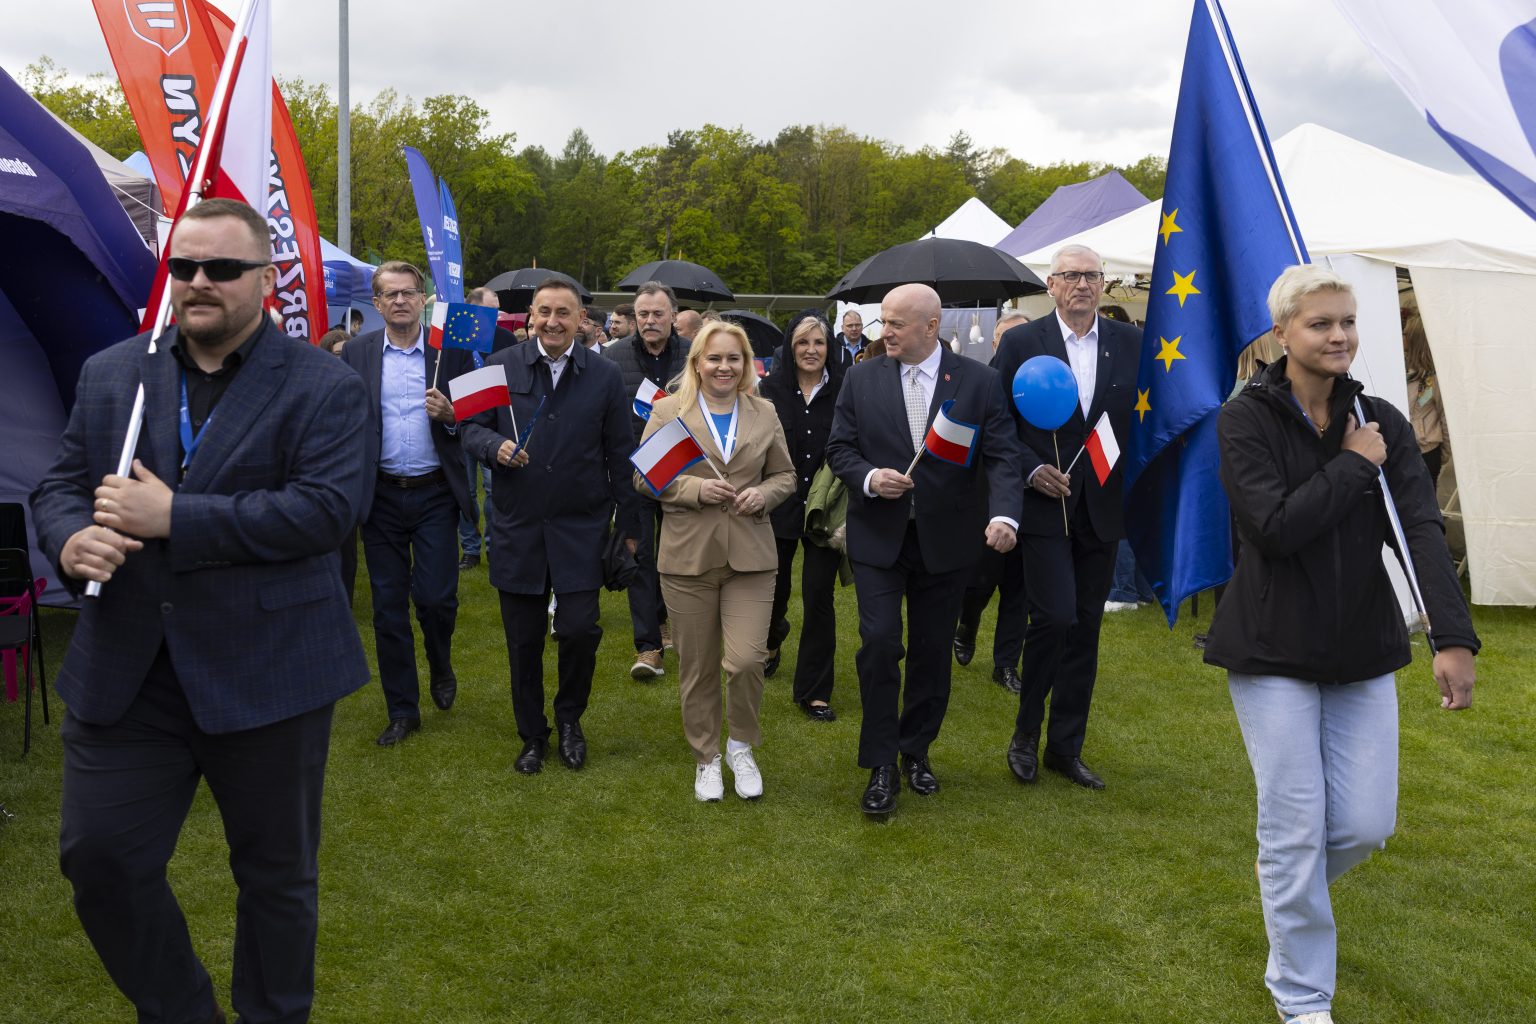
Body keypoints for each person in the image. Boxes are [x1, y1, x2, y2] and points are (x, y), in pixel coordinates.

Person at [30, 197, 371, 1023]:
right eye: (183, 267)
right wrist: (72, 541)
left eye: (221, 268)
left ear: (265, 278)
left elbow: (326, 511)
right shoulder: (114, 371)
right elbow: (61, 484)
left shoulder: (323, 383)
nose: (199, 283)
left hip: (270, 670)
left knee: (277, 880)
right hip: (130, 672)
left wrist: (175, 518)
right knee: (99, 858)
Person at [1204, 264, 1478, 1024]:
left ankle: (1285, 885)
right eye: (1321, 323)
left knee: (1362, 825)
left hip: (1362, 644)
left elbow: (1419, 531)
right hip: (1269, 649)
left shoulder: (1382, 418)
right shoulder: (1245, 420)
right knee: (1294, 827)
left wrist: (1452, 639)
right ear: (1282, 333)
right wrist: (1355, 463)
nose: (1339, 336)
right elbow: (1275, 528)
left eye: (1347, 322)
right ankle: (1303, 999)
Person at [826, 283, 1021, 816]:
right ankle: (881, 762)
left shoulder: (979, 382)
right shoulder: (861, 377)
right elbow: (838, 447)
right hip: (878, 540)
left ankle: (916, 751)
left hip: (948, 542)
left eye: (894, 323)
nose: (882, 331)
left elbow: (1002, 455)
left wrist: (1004, 514)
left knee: (934, 653)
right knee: (881, 642)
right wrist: (869, 478)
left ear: (931, 328)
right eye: (881, 322)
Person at [461, 279, 637, 774]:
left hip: (581, 528)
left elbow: (620, 455)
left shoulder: (602, 376)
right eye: (544, 312)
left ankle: (569, 719)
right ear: (529, 317)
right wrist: (490, 446)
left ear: (581, 319)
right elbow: (467, 426)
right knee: (523, 639)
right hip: (518, 527)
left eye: (564, 312)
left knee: (580, 631)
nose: (553, 321)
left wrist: (630, 528)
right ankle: (532, 733)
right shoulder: (498, 365)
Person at [992, 244, 1141, 791]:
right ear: (1050, 285)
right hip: (1042, 507)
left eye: (1092, 275)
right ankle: (1026, 733)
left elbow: (1141, 419)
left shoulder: (1132, 343)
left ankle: (1065, 747)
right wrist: (1031, 469)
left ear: (1103, 284)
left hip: (1101, 507)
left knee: (1086, 629)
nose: (1082, 283)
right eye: (1071, 275)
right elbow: (997, 419)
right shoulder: (1022, 343)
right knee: (1053, 619)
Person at [638, 320, 796, 801]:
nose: (723, 366)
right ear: (697, 364)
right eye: (714, 358)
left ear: (746, 364)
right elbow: (645, 478)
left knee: (747, 660)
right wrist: (694, 489)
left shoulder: (764, 412)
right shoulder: (668, 412)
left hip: (751, 553)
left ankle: (741, 747)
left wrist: (763, 496)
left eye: (733, 358)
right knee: (698, 667)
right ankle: (706, 758)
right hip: (688, 556)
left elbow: (786, 476)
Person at [343, 261, 477, 745]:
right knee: (387, 607)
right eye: (389, 294)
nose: (400, 301)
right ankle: (403, 708)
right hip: (379, 497)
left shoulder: (450, 354)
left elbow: (477, 421)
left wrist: (452, 415)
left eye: (408, 293)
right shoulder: (356, 353)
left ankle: (440, 661)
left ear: (423, 299)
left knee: (437, 598)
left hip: (434, 494)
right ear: (376, 304)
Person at [758, 311, 844, 720]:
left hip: (824, 511)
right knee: (773, 595)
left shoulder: (846, 389)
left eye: (819, 343)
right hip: (777, 506)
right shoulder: (768, 389)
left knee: (818, 598)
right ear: (790, 348)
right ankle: (773, 638)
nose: (811, 351)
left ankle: (814, 691)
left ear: (830, 349)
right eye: (803, 343)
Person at [604, 281, 690, 679]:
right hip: (633, 473)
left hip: (684, 473)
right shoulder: (613, 357)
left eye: (658, 314)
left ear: (674, 315)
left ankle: (673, 625)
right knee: (640, 557)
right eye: (643, 314)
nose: (650, 321)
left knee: (680, 559)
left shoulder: (695, 356)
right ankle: (648, 646)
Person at [954, 310, 1032, 688]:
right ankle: (967, 625)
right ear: (995, 343)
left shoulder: (1046, 380)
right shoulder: (982, 384)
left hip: (1034, 499)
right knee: (981, 579)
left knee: (1018, 587)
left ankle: (1005, 664)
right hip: (990, 497)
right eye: (1006, 338)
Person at [454, 286, 518, 571]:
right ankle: (470, 547)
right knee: (465, 489)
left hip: (494, 427)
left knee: (494, 488)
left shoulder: (505, 338)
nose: (499, 314)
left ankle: (495, 546)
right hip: (458, 423)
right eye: (493, 309)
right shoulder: (454, 339)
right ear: (475, 309)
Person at [1402, 314, 1448, 485]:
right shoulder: (1401, 370)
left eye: (1406, 333)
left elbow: (1446, 417)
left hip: (1427, 453)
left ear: (1416, 339)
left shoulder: (1434, 379)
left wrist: (1443, 454)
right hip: (1402, 451)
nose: (1402, 337)